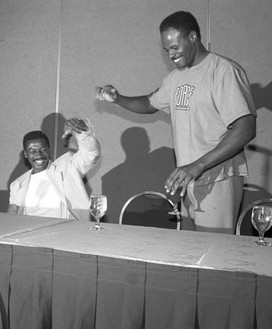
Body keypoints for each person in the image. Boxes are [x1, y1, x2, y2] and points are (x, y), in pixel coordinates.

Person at [97, 11, 256, 233]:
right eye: (166, 50)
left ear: (193, 37)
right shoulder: (176, 77)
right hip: (189, 180)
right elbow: (150, 104)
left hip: (217, 178)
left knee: (213, 252)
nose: (171, 55)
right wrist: (118, 99)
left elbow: (246, 128)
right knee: (191, 252)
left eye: (174, 47)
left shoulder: (223, 71)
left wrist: (198, 165)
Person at [8, 117, 101, 220]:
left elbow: (91, 154)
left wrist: (83, 133)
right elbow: (12, 215)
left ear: (49, 150)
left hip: (64, 233)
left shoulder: (67, 168)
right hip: (29, 233)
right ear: (25, 154)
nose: (38, 155)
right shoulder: (18, 184)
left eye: (43, 150)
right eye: (32, 151)